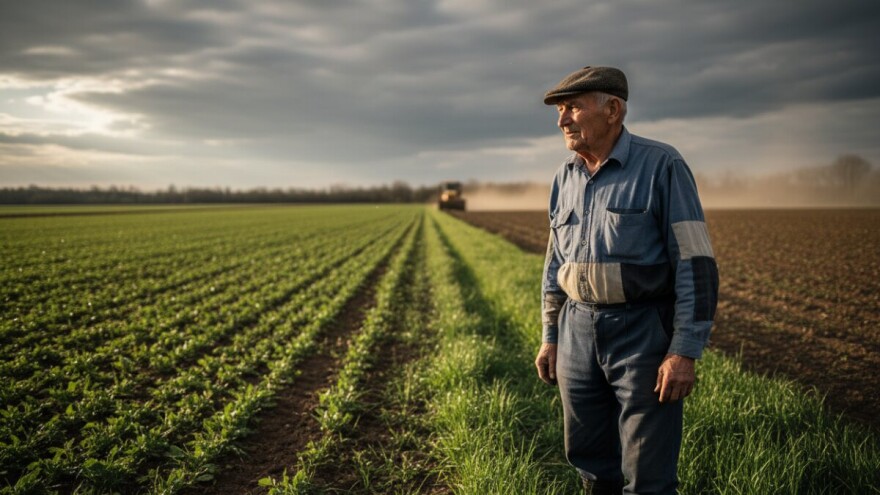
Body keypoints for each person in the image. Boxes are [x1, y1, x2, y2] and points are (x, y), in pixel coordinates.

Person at [534, 66, 718, 495]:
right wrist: (550, 334)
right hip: (576, 331)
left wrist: (684, 351)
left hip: (642, 333)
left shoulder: (662, 165)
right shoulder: (565, 176)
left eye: (573, 108)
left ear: (613, 109)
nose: (562, 120)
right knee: (591, 463)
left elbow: (696, 263)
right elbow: (553, 265)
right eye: (560, 110)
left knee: (648, 473)